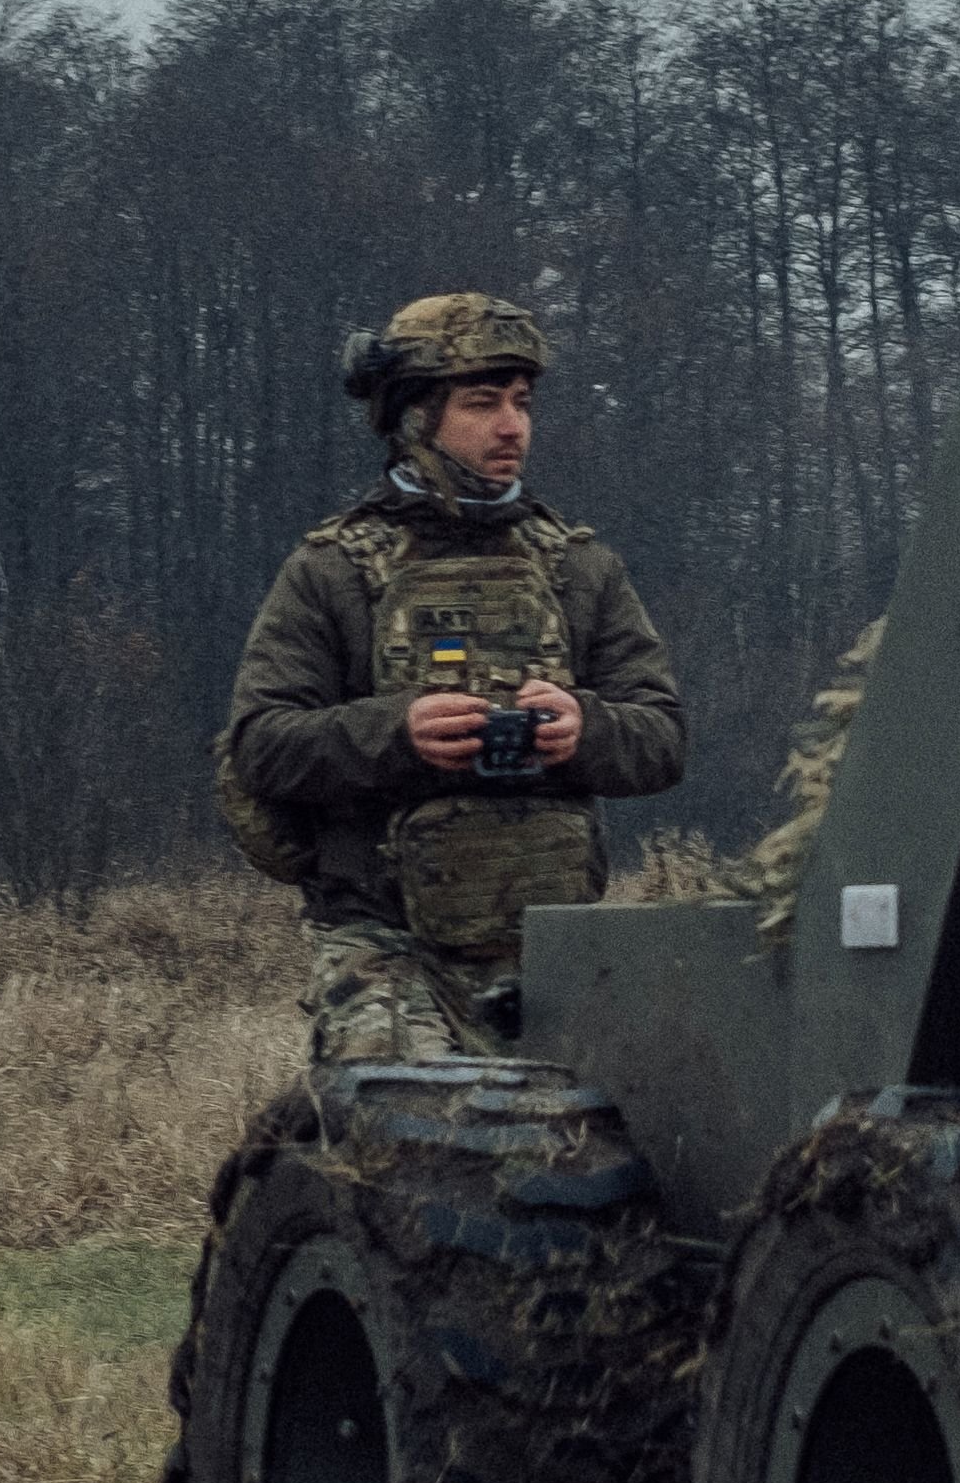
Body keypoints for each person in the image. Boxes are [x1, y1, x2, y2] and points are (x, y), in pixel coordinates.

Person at [218, 293, 684, 1066]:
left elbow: (663, 738)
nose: (511, 425)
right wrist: (397, 733)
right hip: (386, 945)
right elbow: (260, 744)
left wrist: (585, 727)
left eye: (521, 402)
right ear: (414, 415)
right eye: (481, 403)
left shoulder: (575, 566)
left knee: (591, 1159)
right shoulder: (332, 569)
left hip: (550, 946)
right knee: (399, 1144)